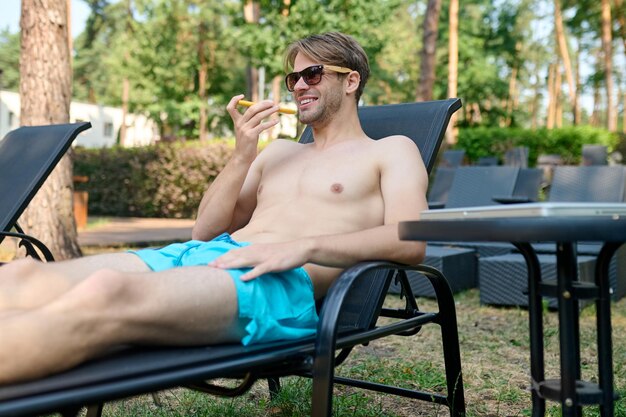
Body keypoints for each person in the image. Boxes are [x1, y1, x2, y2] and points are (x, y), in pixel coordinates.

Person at [0, 32, 428, 384]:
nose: (298, 86)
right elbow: (203, 231)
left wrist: (304, 247)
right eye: (292, 78)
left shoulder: (390, 151)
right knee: (22, 275)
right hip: (206, 256)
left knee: (104, 293)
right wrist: (242, 154)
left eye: (312, 74)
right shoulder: (277, 153)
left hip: (275, 283)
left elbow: (411, 240)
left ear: (350, 81)